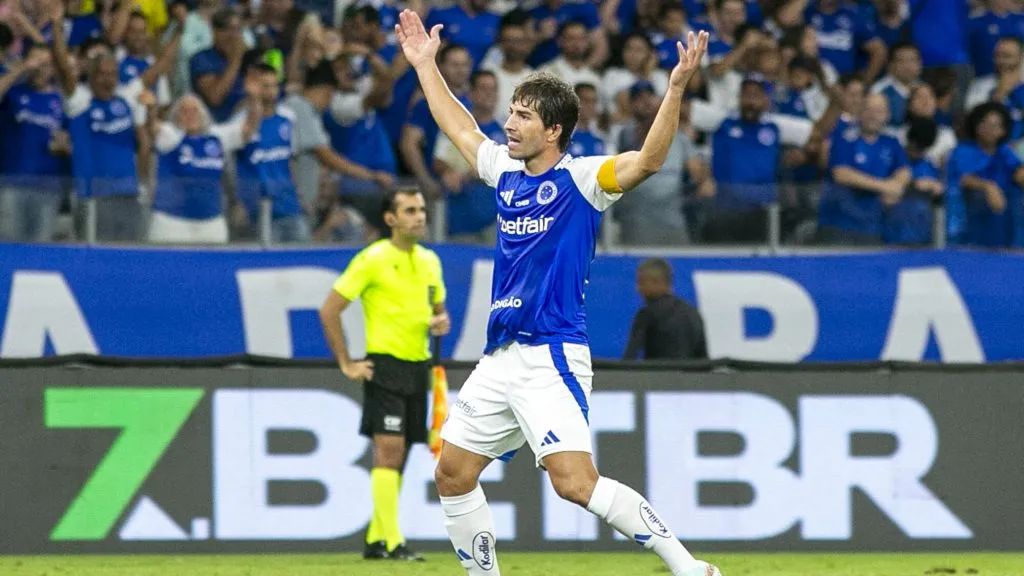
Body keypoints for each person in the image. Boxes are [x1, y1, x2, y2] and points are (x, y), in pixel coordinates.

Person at [394, 10, 719, 576]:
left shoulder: (584, 181)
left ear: (554, 132)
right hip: (501, 356)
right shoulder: (504, 172)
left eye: (522, 117)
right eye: (512, 112)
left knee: (574, 483)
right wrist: (426, 67)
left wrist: (674, 88)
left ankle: (690, 568)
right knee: (452, 471)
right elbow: (460, 128)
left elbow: (649, 161)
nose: (510, 125)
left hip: (550, 354)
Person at [318, 187, 451, 562]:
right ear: (390, 219)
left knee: (402, 452)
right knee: (389, 450)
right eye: (410, 210)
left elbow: (438, 311)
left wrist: (440, 322)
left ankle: (377, 539)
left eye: (422, 209)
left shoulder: (430, 261)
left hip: (417, 366)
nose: (420, 217)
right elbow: (330, 309)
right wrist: (347, 362)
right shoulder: (372, 258)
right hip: (386, 366)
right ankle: (394, 542)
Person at [623, 258, 707, 360]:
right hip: (690, 375)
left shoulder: (647, 313)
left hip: (657, 374)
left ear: (659, 282)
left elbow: (630, 357)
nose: (638, 289)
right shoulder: (693, 313)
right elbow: (704, 360)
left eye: (642, 283)